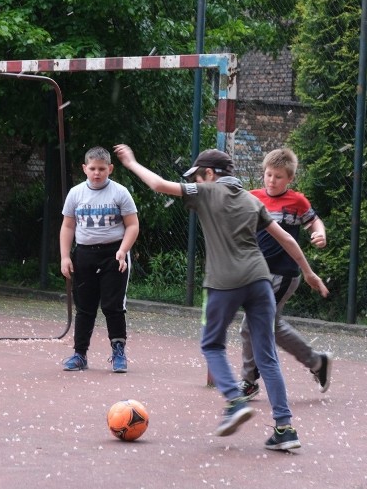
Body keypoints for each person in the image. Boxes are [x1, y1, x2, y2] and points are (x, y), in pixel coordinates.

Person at [113, 144, 328, 451]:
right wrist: (308, 272)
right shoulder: (250, 200)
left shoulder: (207, 192)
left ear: (210, 174)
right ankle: (285, 429)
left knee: (211, 344)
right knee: (266, 356)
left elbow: (159, 185)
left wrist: (132, 162)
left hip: (224, 282)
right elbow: (287, 238)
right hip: (260, 281)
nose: (197, 182)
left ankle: (235, 401)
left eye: (199, 177)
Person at [239, 148, 332, 401]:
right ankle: (317, 362)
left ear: (289, 178)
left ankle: (249, 381)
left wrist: (320, 233)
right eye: (268, 175)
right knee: (272, 325)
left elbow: (315, 221)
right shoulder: (253, 197)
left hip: (283, 275)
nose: (271, 180)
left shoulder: (296, 202)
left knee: (251, 326)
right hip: (256, 273)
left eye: (278, 176)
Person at [60, 146, 140, 373]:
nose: (97, 173)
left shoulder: (120, 192)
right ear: (84, 169)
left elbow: (132, 225)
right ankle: (79, 354)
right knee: (84, 307)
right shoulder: (76, 194)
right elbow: (67, 226)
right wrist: (65, 256)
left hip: (114, 253)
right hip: (84, 254)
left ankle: (118, 352)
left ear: (110, 169)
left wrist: (123, 250)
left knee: (112, 305)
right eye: (92, 168)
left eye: (102, 169)